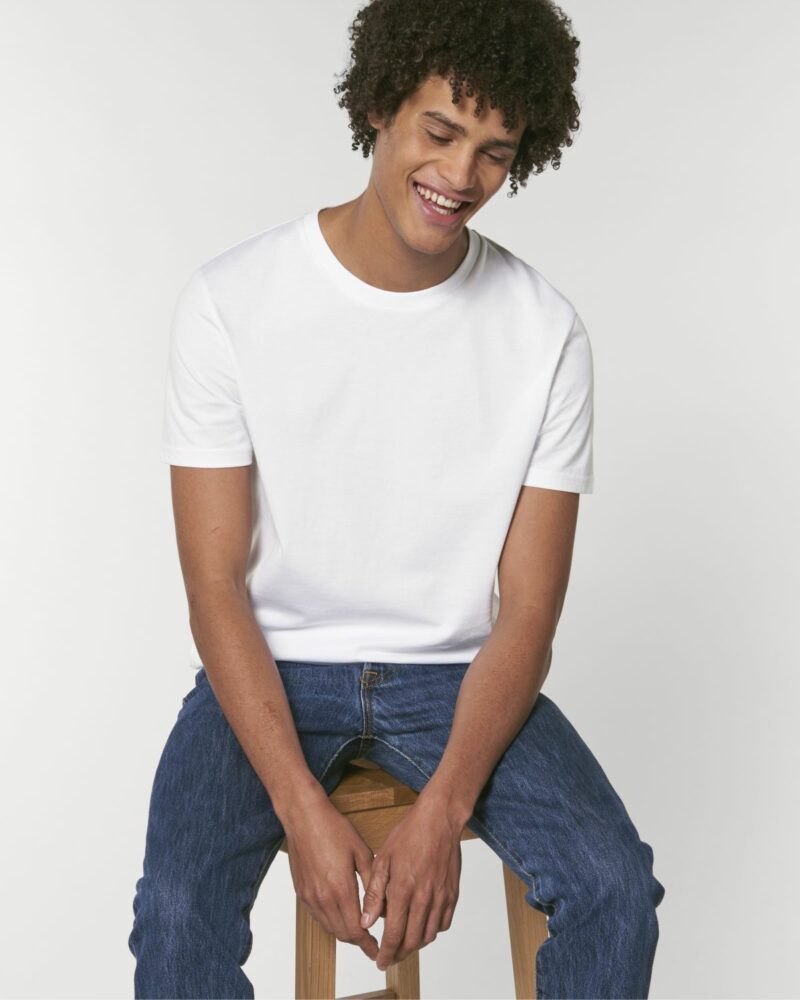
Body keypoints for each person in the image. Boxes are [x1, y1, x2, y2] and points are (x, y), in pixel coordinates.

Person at [128, 1, 666, 996]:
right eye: (440, 131)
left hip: (457, 676)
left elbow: (528, 612)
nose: (461, 176)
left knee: (614, 887)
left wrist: (441, 811)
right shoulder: (230, 302)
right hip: (274, 665)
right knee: (174, 909)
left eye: (495, 152)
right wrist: (300, 807)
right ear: (379, 104)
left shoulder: (544, 333)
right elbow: (215, 586)